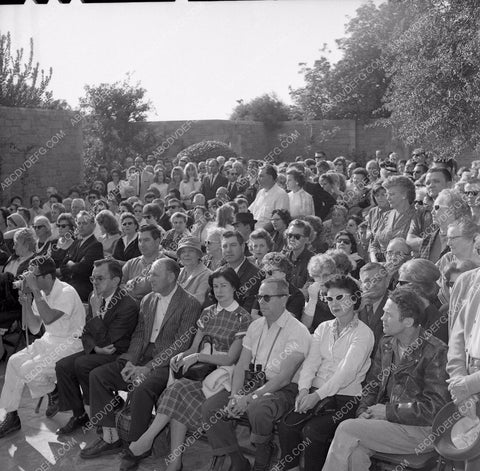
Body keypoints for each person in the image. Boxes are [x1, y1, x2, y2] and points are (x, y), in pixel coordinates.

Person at [121, 267, 251, 471]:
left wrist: (197, 356)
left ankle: (152, 444)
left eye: (224, 285)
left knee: (177, 394)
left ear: (234, 287)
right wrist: (180, 356)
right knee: (176, 390)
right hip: (201, 373)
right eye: (215, 286)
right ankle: (170, 458)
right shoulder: (208, 312)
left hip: (224, 377)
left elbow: (230, 358)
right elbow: (192, 347)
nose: (219, 290)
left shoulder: (242, 317)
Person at [81, 258, 201, 460]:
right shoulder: (148, 300)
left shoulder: (190, 303)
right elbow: (139, 335)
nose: (149, 278)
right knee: (98, 375)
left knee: (141, 386)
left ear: (171, 276)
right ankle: (111, 437)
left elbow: (181, 344)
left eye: (154, 274)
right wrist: (130, 360)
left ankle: (136, 447)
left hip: (168, 363)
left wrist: (147, 367)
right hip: (142, 356)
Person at [322, 287, 450, 471]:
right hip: (389, 423)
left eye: (388, 315)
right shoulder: (387, 343)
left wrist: (388, 412)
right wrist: (363, 412)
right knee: (355, 450)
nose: (382, 318)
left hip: (423, 430)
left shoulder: (436, 351)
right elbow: (372, 386)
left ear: (407, 321)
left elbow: (435, 408)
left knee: (346, 429)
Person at [202, 278, 311, 471]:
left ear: (284, 299)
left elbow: (284, 378)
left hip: (282, 388)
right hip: (253, 381)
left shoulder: (298, 331)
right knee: (211, 408)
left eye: (267, 297)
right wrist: (236, 395)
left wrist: (249, 398)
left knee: (258, 408)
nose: (261, 301)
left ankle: (262, 453)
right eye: (259, 297)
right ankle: (237, 460)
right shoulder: (256, 325)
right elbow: (242, 364)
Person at [278, 275, 374, 471]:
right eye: (329, 299)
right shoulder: (323, 328)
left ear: (354, 299)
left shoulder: (364, 333)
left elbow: (346, 373)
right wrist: (304, 390)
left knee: (313, 431)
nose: (334, 303)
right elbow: (311, 363)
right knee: (287, 426)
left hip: (345, 397)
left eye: (340, 297)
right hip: (315, 392)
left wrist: (316, 396)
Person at [0, 256, 86, 438]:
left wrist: (35, 293)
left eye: (33, 276)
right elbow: (33, 327)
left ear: (48, 276)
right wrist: (26, 304)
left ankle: (54, 392)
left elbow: (48, 318)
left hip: (70, 343)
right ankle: (11, 415)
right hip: (49, 340)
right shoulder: (40, 292)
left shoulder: (66, 291)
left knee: (28, 369)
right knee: (15, 362)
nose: (30, 279)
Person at [54, 259, 139, 434]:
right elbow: (86, 332)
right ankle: (79, 414)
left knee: (82, 364)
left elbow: (109, 342)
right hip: (99, 351)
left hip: (118, 353)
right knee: (62, 366)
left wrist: (95, 313)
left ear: (115, 281)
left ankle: (101, 413)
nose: (94, 283)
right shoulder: (95, 297)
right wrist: (94, 349)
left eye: (99, 278)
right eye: (92, 279)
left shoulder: (127, 304)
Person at [397, 259, 448, 343]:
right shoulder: (409, 311)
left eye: (402, 283)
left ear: (419, 286)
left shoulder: (437, 323)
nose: (397, 286)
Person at [60, 210, 104, 302]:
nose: (81, 226)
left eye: (84, 223)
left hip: (83, 287)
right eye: (79, 223)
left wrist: (71, 264)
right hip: (68, 283)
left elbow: (83, 269)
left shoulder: (96, 245)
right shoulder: (75, 243)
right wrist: (74, 266)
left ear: (93, 225)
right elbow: (62, 266)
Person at [370, 176, 416, 262]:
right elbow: (374, 245)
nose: (388, 198)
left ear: (404, 195)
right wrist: (375, 263)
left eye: (392, 194)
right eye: (387, 194)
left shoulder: (417, 216)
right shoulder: (385, 215)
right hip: (382, 267)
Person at [250, 252, 305, 321]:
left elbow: (286, 321)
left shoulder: (296, 295)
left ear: (283, 273)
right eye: (264, 272)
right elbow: (253, 314)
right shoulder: (263, 289)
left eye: (270, 272)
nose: (266, 276)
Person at [436, 219, 480, 305]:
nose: (448, 243)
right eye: (447, 238)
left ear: (474, 238)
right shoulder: (447, 259)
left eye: (452, 238)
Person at [221, 230, 262, 313]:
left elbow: (247, 311)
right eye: (225, 246)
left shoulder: (256, 276)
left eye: (233, 245)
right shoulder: (217, 273)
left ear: (243, 247)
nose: (228, 250)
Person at [122, 224, 164, 302]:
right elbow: (119, 287)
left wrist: (131, 285)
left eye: (146, 240)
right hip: (131, 310)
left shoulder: (166, 264)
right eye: (140, 240)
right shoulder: (130, 263)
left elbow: (149, 288)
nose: (142, 244)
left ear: (157, 241)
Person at [358, 262, 390, 356]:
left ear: (387, 281)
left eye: (378, 279)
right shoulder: (353, 305)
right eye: (367, 281)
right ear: (361, 284)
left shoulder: (396, 304)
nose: (373, 284)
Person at [302, 253, 337, 332]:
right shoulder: (311, 291)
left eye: (325, 275)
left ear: (333, 275)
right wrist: (312, 299)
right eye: (317, 276)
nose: (321, 279)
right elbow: (305, 325)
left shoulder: (341, 291)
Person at [249, 164, 290, 229]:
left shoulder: (281, 195)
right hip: (253, 231)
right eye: (258, 176)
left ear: (270, 177)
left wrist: (260, 232)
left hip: (266, 235)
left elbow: (279, 221)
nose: (258, 179)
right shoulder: (260, 192)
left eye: (261, 176)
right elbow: (250, 212)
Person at [176, 236, 212, 305]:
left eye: (191, 251)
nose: (186, 254)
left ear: (199, 255)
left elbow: (197, 302)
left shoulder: (207, 275)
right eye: (183, 252)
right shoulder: (177, 272)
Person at [284, 219, 314, 290]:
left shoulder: (314, 261)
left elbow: (308, 290)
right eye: (290, 235)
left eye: (297, 236)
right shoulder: (282, 258)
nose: (292, 239)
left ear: (306, 239)